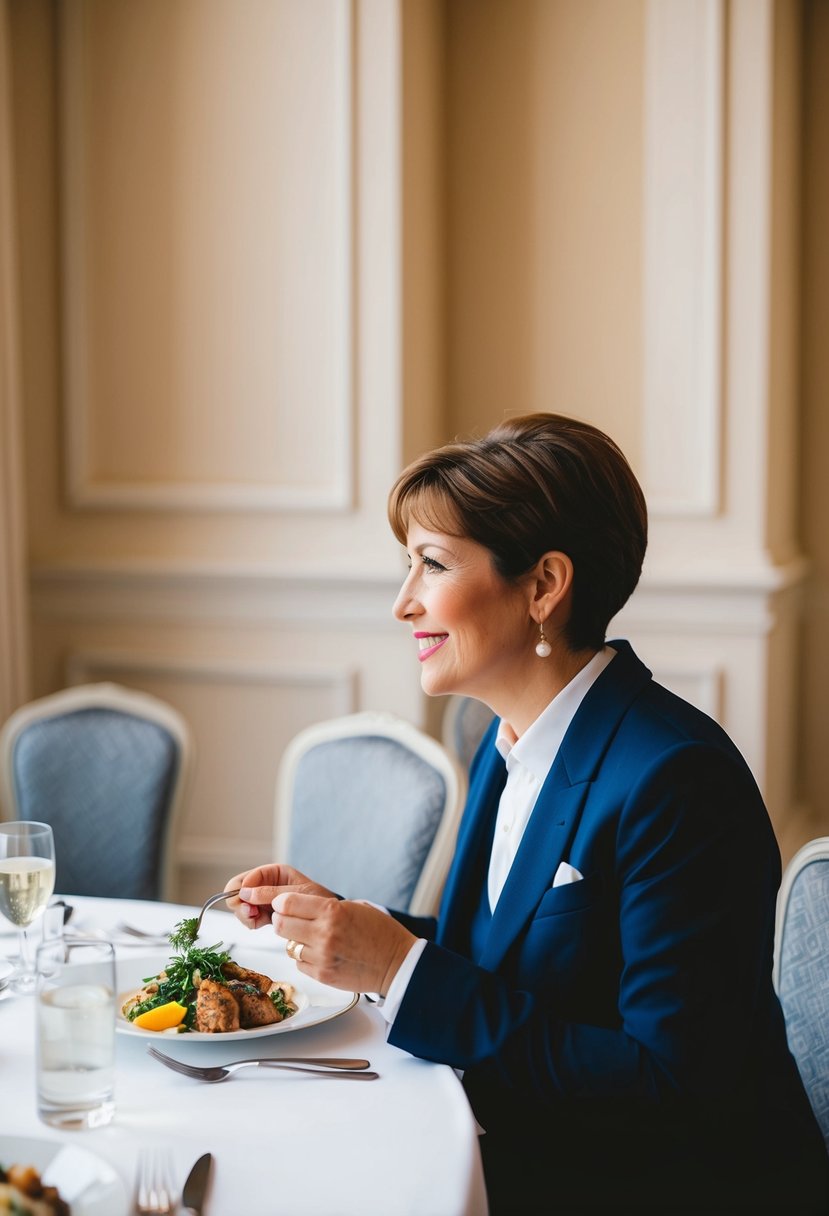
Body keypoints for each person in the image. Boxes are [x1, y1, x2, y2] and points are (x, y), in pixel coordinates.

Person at [225, 413, 829, 1214]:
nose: (404, 603)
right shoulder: (506, 739)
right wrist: (347, 926)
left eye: (431, 565)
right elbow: (506, 958)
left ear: (543, 585)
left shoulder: (677, 781)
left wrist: (399, 971)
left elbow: (670, 1086)